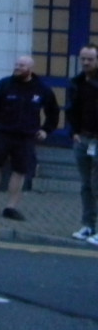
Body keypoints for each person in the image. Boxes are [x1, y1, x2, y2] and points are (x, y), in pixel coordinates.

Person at [0, 54, 60, 221]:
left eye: (22, 66)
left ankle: (10, 207)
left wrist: (46, 130)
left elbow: (53, 112)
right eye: (16, 65)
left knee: (19, 171)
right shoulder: (4, 84)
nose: (17, 68)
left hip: (25, 137)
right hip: (2, 132)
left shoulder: (42, 89)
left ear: (30, 69)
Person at [65, 45, 98, 245]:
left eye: (90, 59)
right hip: (82, 139)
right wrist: (74, 132)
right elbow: (71, 109)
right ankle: (88, 225)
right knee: (86, 185)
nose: (86, 63)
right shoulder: (77, 83)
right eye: (83, 59)